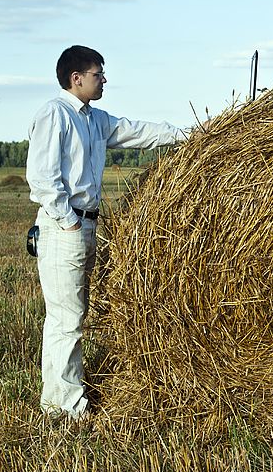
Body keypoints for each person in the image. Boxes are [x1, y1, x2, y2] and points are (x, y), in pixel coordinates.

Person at [26, 45, 187, 420]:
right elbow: (42, 178)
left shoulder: (94, 119)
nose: (104, 80)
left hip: (86, 225)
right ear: (76, 78)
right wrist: (69, 221)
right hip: (66, 226)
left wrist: (193, 133)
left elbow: (137, 132)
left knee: (68, 317)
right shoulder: (55, 114)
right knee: (67, 319)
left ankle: (57, 401)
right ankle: (66, 408)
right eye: (99, 74)